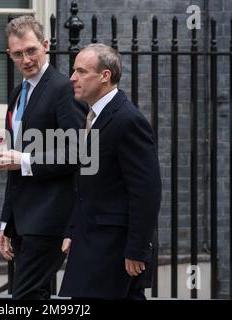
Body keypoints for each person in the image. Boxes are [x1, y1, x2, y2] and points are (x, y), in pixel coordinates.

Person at [0, 15, 86, 299]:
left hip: (52, 217)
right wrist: (7, 222)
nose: (26, 59)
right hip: (23, 221)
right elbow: (13, 164)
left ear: (45, 45)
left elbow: (78, 152)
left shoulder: (63, 89)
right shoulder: (18, 93)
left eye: (31, 50)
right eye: (18, 54)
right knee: (35, 297)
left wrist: (23, 160)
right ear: (10, 55)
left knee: (24, 297)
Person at [59, 43, 162, 300]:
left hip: (116, 249)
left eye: (81, 71)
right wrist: (73, 230)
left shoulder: (128, 120)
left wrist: (137, 249)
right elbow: (88, 184)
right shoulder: (92, 116)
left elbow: (146, 191)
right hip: (92, 241)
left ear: (105, 76)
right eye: (74, 71)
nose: (73, 78)